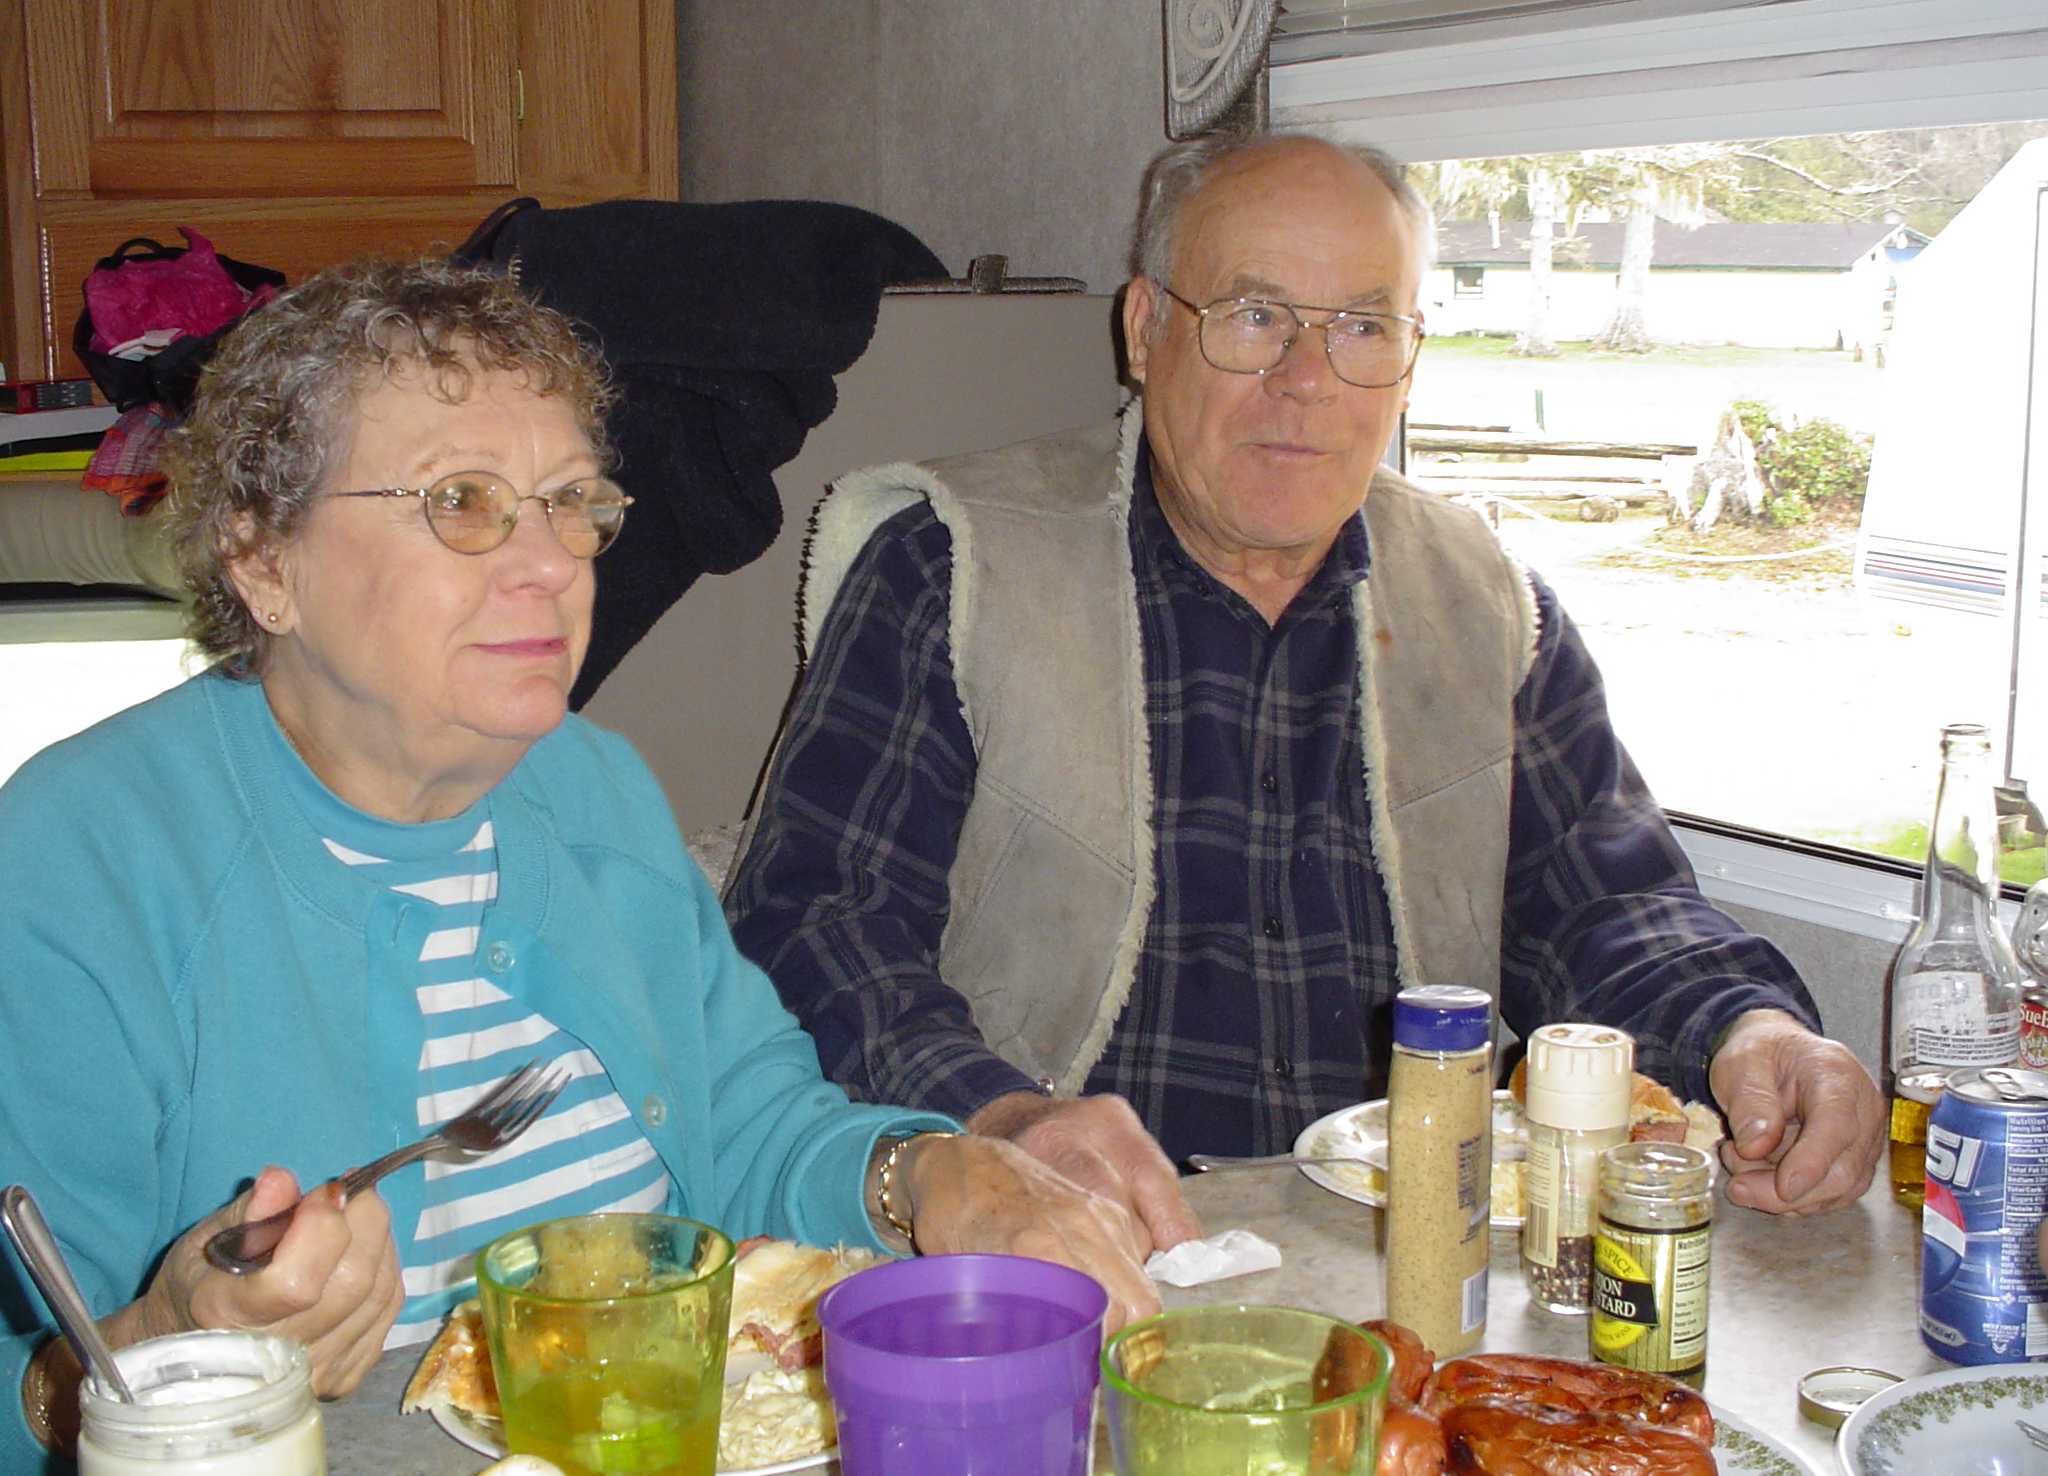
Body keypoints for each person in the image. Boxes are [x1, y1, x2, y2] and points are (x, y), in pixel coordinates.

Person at [0, 258, 1157, 1467]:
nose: (551, 563)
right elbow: (23, 1376)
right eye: (461, 501)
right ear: (264, 561)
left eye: (572, 503)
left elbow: (750, 1121)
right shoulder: (78, 863)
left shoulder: (588, 784)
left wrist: (926, 1169)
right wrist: (165, 1346)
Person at [724, 130, 1886, 1250]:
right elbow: (815, 918)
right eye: (1253, 316)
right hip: (1074, 1245)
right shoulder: (950, 563)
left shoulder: (1485, 601)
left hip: (1412, 1256)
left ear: (1410, 357)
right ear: (1143, 330)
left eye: (1361, 327)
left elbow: (1600, 904)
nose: (1306, 380)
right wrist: (1001, 1117)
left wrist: (1749, 1026)